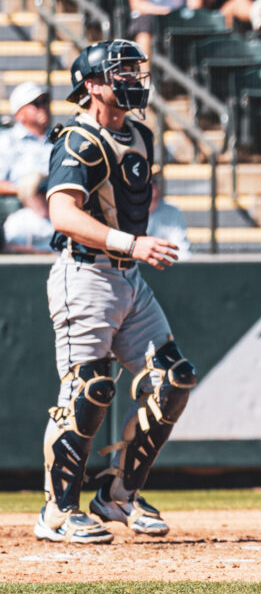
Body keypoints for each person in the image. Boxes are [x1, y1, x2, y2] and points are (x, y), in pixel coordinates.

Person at [35, 39, 195, 545]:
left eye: (133, 70)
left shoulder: (142, 135)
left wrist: (134, 250)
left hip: (128, 276)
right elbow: (62, 214)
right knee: (89, 389)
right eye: (120, 71)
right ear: (92, 85)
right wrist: (133, 242)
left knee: (174, 378)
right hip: (84, 274)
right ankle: (57, 512)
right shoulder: (78, 140)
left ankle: (118, 492)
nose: (132, 79)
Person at [0, 81, 51, 197]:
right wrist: (28, 191)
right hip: (23, 209)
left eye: (45, 101)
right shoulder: (7, 141)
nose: (43, 107)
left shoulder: (60, 138)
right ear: (19, 114)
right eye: (36, 103)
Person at [2, 171, 52, 253]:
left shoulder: (61, 219)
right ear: (28, 195)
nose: (45, 197)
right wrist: (46, 254)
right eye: (41, 191)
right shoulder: (17, 220)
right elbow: (8, 247)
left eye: (48, 191)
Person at [148, 170, 192, 261]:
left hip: (165, 269)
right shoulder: (127, 212)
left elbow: (182, 251)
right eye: (147, 182)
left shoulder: (173, 211)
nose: (153, 186)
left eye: (154, 181)